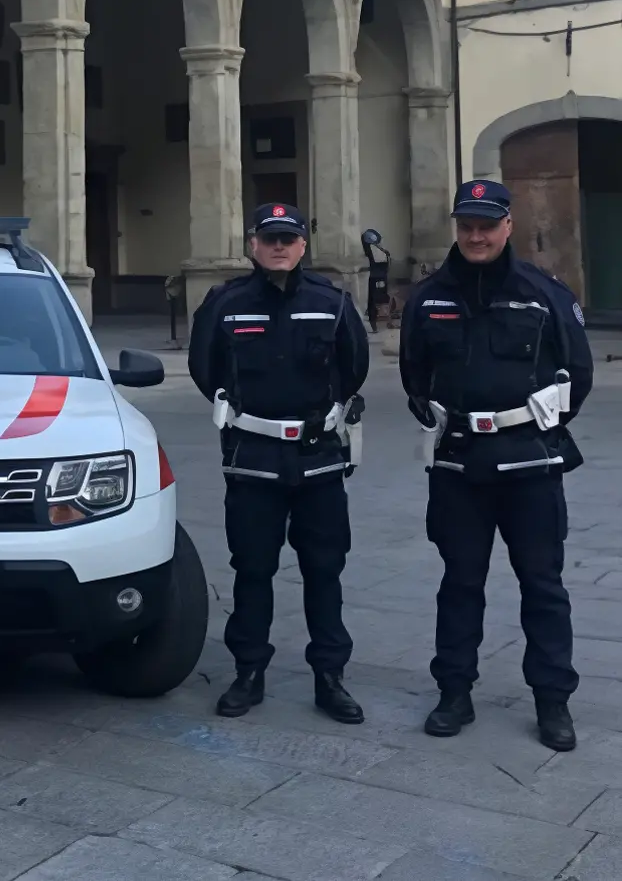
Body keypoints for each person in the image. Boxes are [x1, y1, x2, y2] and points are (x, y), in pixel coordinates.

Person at [401, 179, 592, 751]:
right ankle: (454, 692)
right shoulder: (429, 297)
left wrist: (534, 423)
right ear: (457, 229)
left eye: (487, 225)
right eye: (467, 226)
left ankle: (553, 701)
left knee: (543, 585)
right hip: (460, 465)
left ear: (508, 225)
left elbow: (576, 376)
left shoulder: (545, 294)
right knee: (460, 583)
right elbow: (414, 373)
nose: (476, 236)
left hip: (530, 464)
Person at [189, 202, 369, 724]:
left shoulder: (332, 303)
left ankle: (330, 677)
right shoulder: (225, 304)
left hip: (318, 459)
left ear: (302, 246)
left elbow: (352, 367)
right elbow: (207, 370)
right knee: (251, 570)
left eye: (288, 238)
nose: (279, 247)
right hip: (253, 458)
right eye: (269, 238)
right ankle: (249, 671)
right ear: (253, 245)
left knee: (324, 571)